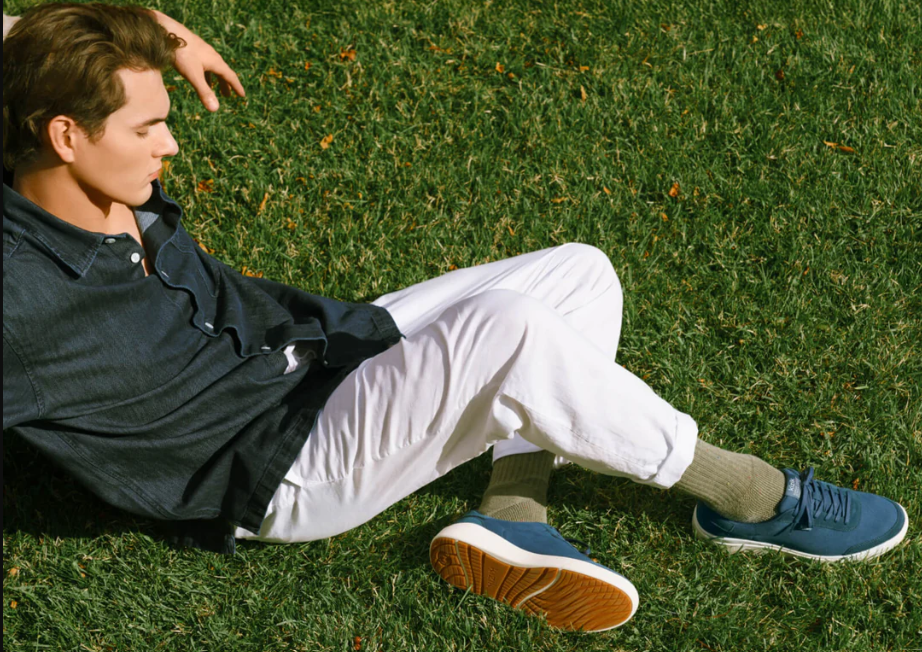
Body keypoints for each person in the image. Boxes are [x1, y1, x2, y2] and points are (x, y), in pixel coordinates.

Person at [2, 3, 909, 633]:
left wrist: (155, 33)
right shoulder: (19, 295)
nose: (169, 144)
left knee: (578, 275)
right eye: (146, 128)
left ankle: (512, 513)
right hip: (276, 466)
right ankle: (753, 497)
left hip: (310, 355)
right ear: (66, 135)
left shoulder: (76, 153)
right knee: (510, 328)